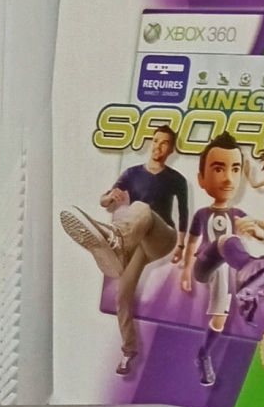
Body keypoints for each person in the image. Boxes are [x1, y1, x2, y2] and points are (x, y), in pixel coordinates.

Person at [60, 124, 187, 376]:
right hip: (137, 241)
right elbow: (104, 199)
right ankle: (129, 351)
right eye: (156, 140)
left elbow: (183, 214)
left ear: (171, 149)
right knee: (122, 295)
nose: (158, 146)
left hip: (163, 237)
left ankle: (113, 238)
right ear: (151, 142)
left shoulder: (176, 179)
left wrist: (181, 246)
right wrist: (110, 198)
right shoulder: (132, 173)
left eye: (164, 143)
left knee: (141, 208)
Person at [175, 133, 264, 387]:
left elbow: (260, 233)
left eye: (235, 169)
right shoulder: (202, 214)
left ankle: (204, 354)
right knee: (225, 240)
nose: (228, 178)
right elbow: (192, 242)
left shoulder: (238, 213)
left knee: (219, 320)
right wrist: (186, 270)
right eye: (218, 169)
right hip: (204, 265)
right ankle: (252, 270)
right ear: (202, 179)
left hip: (224, 272)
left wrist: (257, 231)